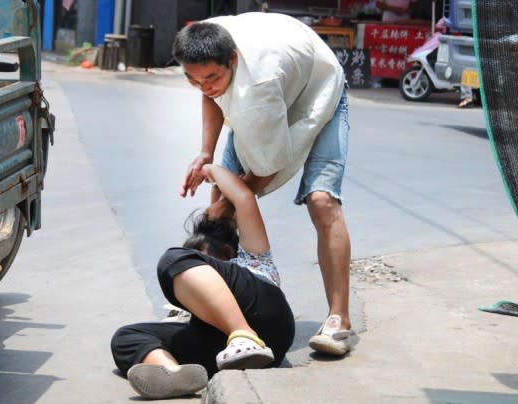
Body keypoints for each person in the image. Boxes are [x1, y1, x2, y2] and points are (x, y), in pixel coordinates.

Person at [173, 12, 353, 356]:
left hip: (319, 90)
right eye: (193, 80)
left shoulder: (258, 89)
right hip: (282, 75)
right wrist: (205, 153)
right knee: (220, 186)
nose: (204, 86)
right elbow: (209, 90)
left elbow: (271, 164)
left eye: (212, 77)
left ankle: (339, 319)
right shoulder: (206, 44)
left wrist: (229, 203)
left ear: (233, 59)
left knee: (321, 201)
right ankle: (216, 296)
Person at [111, 164, 295, 400]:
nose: (197, 268)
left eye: (201, 259)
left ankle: (242, 333)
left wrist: (208, 168)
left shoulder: (251, 255)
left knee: (171, 258)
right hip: (226, 348)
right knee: (125, 337)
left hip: (267, 319)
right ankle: (173, 374)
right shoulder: (202, 302)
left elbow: (244, 196)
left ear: (228, 251)